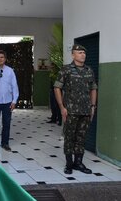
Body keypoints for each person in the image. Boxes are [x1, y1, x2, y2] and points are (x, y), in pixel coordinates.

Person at [54, 44, 97, 175]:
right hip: (70, 110)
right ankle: (69, 164)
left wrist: (93, 106)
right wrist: (62, 107)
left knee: (81, 137)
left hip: (85, 110)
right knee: (69, 137)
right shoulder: (66, 70)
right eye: (79, 52)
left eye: (84, 52)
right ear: (73, 55)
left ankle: (78, 163)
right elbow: (57, 88)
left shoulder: (89, 70)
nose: (82, 55)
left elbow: (93, 88)